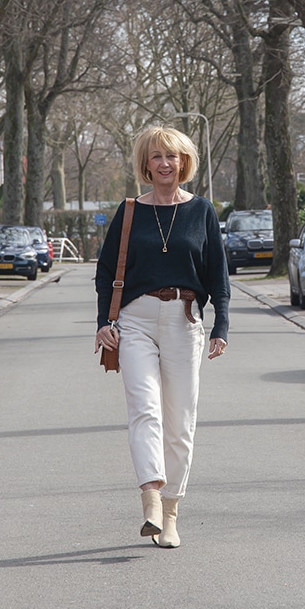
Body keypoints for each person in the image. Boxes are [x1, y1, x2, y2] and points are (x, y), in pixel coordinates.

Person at [95, 125, 230, 548]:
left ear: (184, 162)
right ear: (146, 165)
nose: (165, 163)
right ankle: (151, 495)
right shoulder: (130, 210)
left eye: (172, 156)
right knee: (144, 409)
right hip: (135, 320)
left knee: (180, 424)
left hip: (184, 321)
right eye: (156, 156)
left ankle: (171, 512)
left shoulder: (202, 211)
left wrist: (221, 326)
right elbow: (104, 273)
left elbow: (218, 276)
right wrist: (104, 321)